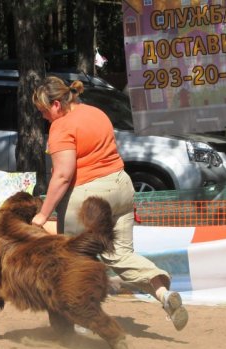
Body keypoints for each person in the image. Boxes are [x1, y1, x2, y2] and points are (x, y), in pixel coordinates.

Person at [30, 75, 188, 331]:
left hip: (89, 197)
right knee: (121, 254)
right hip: (122, 187)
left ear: (56, 105)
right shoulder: (96, 112)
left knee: (71, 260)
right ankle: (163, 294)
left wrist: (43, 214)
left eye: (44, 111)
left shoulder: (61, 127)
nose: (44, 117)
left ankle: (79, 320)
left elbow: (62, 175)